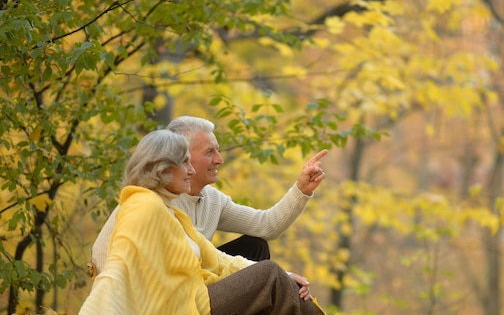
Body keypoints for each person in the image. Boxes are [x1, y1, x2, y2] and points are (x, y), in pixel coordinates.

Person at [77, 130, 326, 315]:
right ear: (163, 168)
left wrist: (287, 274)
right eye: (186, 161)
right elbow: (116, 263)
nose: (192, 170)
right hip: (179, 311)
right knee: (269, 274)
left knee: (270, 268)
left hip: (192, 294)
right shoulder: (144, 205)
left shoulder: (172, 211)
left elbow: (223, 256)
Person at [91, 116, 327, 274]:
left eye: (218, 150)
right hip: (169, 292)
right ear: (181, 154)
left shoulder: (212, 200)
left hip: (196, 277)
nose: (219, 159)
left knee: (256, 247)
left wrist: (301, 190)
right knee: (264, 274)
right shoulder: (154, 200)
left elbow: (266, 226)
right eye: (210, 151)